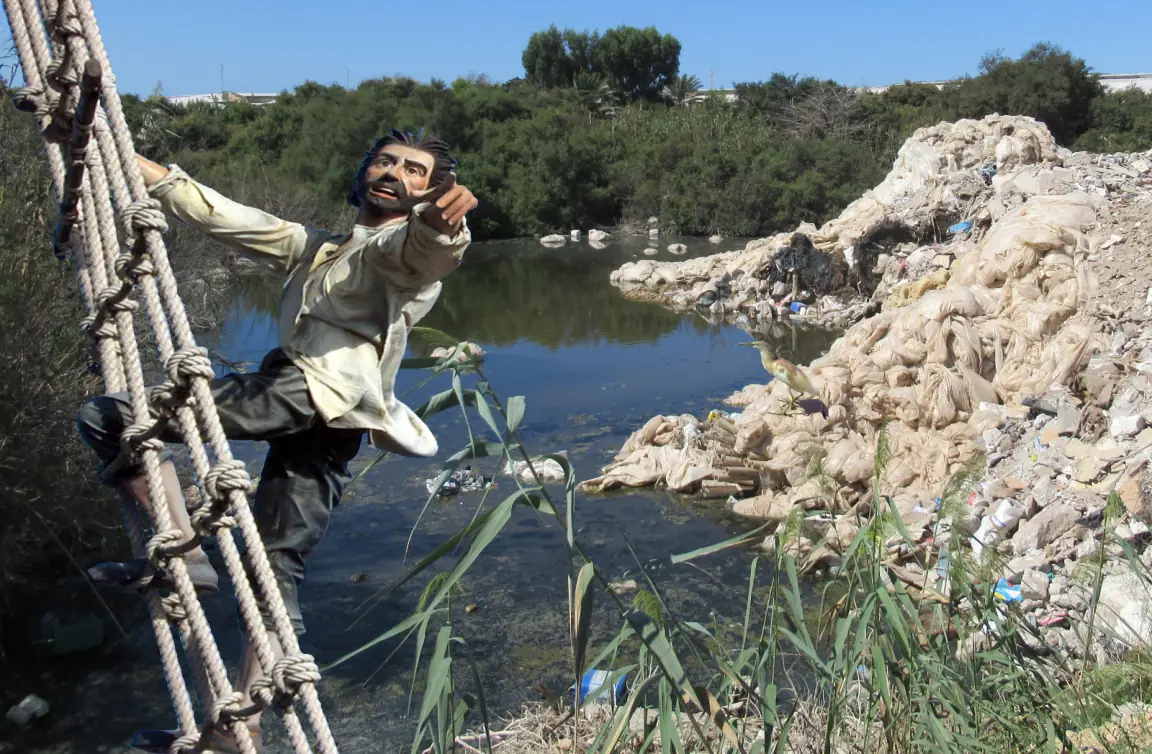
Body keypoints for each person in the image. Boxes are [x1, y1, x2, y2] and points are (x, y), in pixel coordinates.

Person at [76, 129, 478, 753]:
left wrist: (441, 224)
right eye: (385, 161)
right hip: (333, 420)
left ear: (431, 189)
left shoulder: (399, 253)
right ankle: (239, 731)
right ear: (364, 170)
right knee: (273, 568)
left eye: (415, 170)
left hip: (307, 396)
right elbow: (223, 215)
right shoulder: (318, 248)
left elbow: (428, 248)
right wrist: (121, 155)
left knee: (112, 418)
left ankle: (185, 550)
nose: (395, 173)